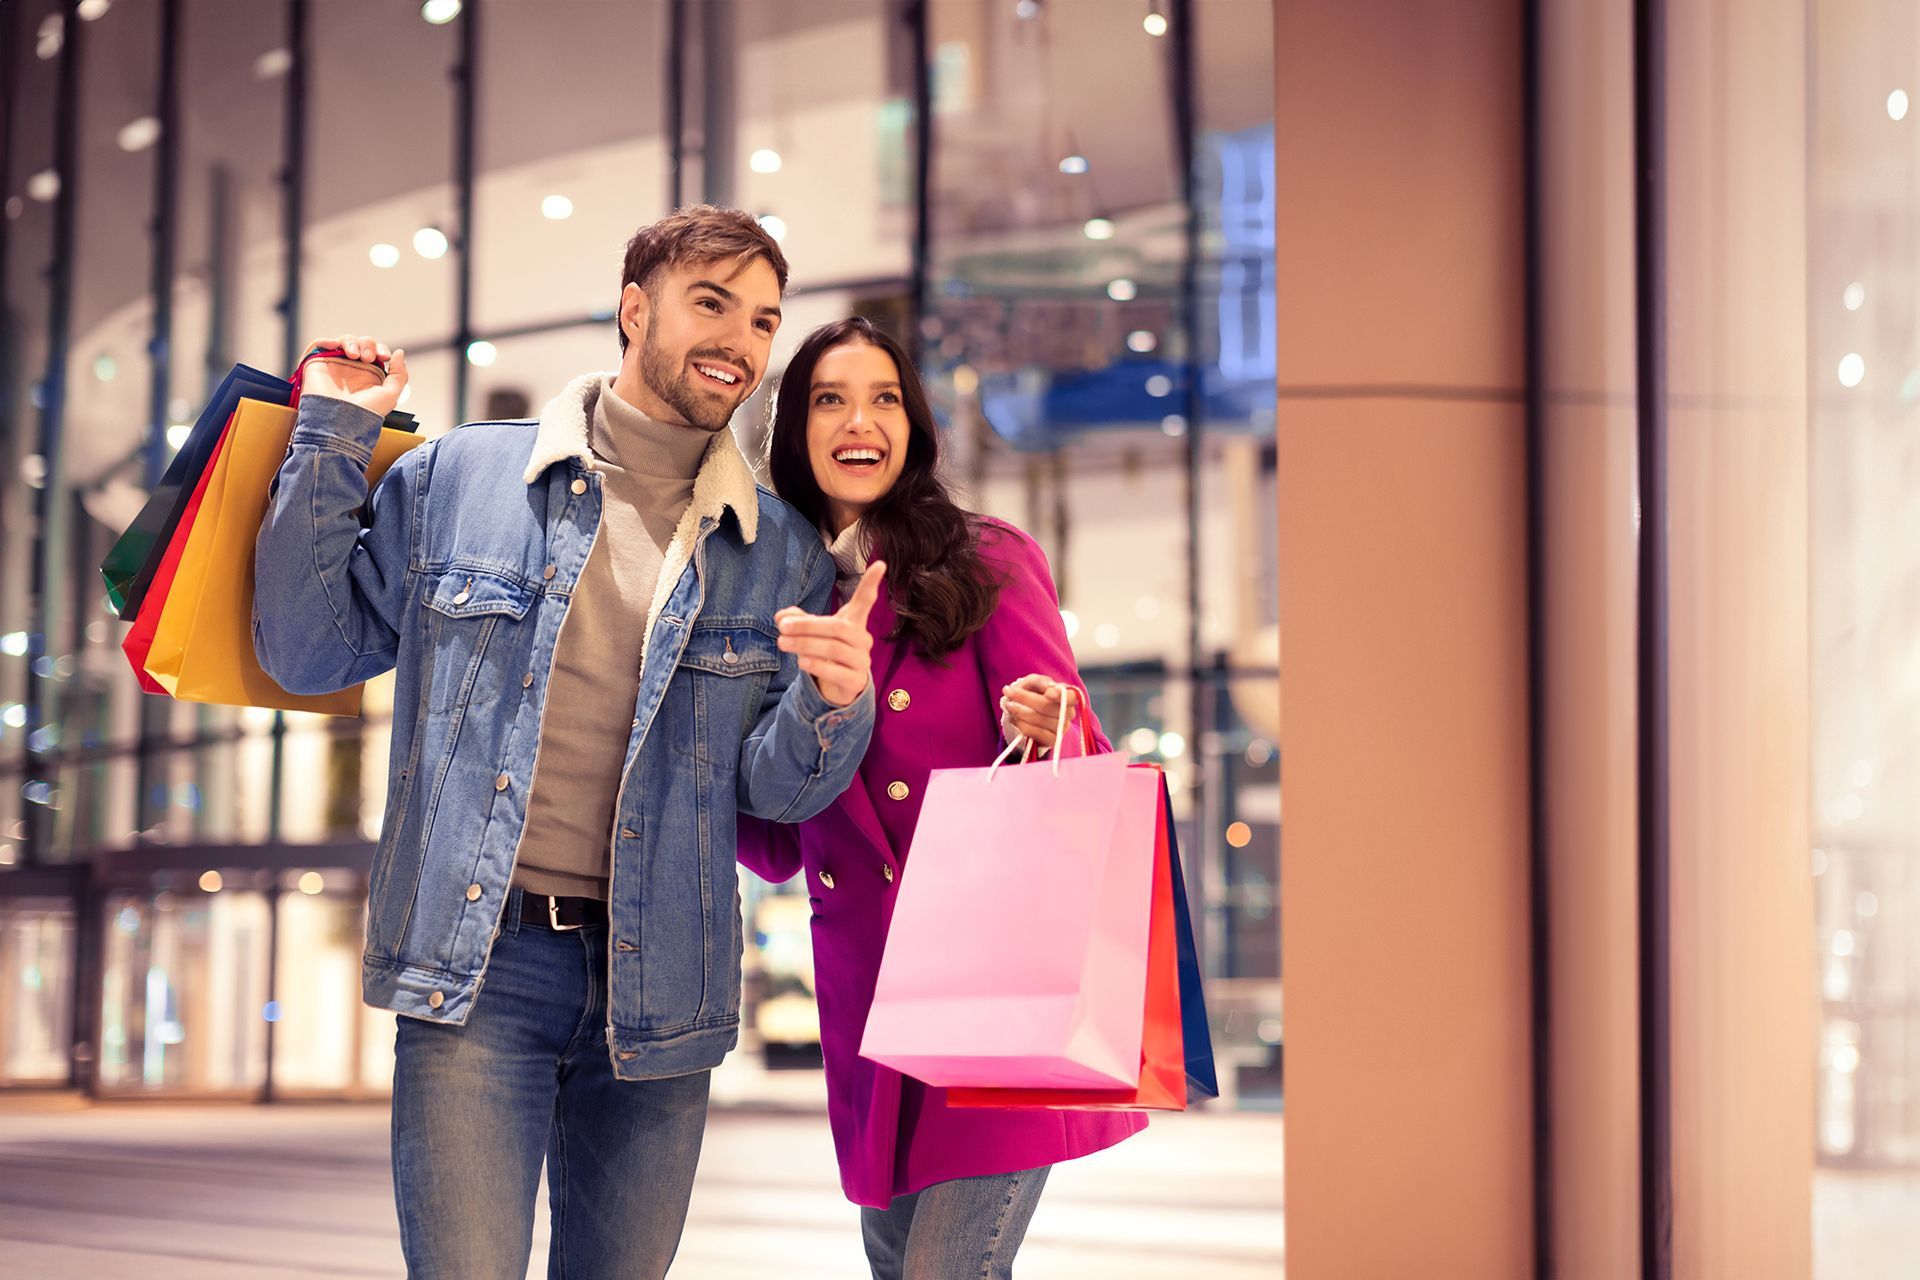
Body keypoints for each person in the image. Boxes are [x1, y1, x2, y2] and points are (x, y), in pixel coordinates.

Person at [253, 206, 881, 1279]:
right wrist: (330, 436)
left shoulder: (778, 548)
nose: (740, 339)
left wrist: (835, 700)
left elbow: (775, 794)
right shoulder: (462, 479)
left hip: (661, 985)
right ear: (635, 308)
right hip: (481, 968)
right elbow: (306, 648)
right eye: (711, 303)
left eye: (764, 320)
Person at [739, 317, 1146, 1280]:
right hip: (868, 990)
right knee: (898, 1265)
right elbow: (771, 840)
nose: (859, 420)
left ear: (915, 428)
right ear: (793, 430)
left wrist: (1059, 726)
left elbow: (1077, 758)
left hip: (992, 978)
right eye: (831, 399)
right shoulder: (771, 594)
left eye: (884, 398)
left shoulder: (987, 560)